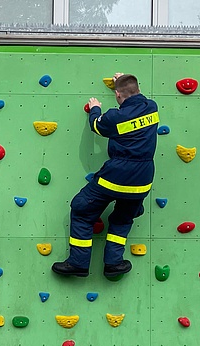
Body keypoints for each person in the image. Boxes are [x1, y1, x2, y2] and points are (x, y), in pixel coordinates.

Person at [52, 73, 158, 277]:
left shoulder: (113, 117)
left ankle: (79, 263)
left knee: (82, 210)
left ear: (117, 94)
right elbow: (135, 95)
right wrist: (123, 80)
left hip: (117, 175)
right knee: (122, 218)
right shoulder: (151, 107)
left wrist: (95, 109)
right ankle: (113, 263)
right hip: (143, 179)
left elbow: (96, 125)